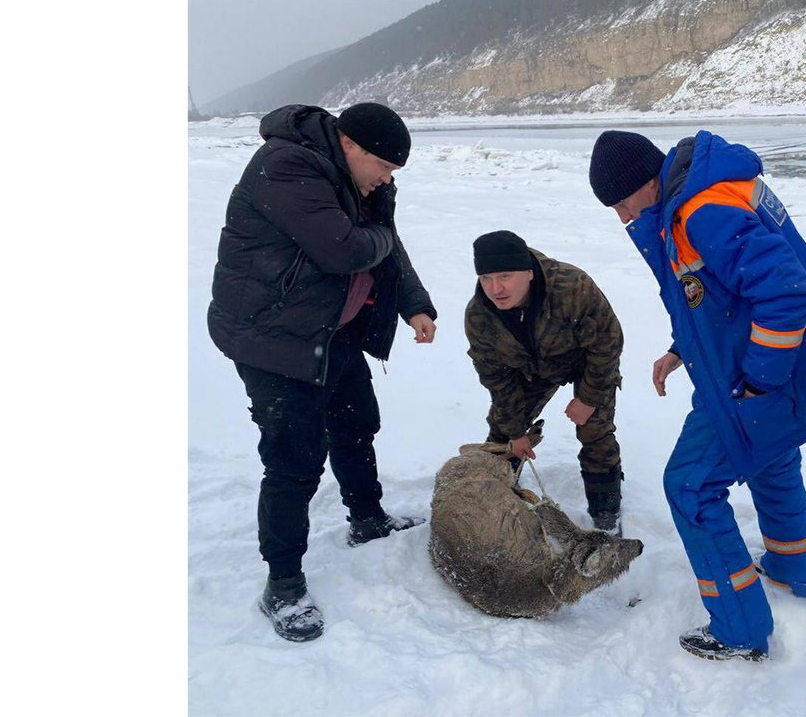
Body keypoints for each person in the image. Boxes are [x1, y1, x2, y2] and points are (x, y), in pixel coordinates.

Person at [587, 129, 806, 661]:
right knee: (770, 460)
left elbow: (786, 293)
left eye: (620, 202)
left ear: (643, 181)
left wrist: (759, 380)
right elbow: (714, 296)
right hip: (747, 369)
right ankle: (788, 571)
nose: (622, 218)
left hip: (753, 376)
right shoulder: (697, 194)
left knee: (688, 485)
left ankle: (739, 628)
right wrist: (680, 350)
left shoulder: (702, 209)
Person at [207, 102, 437, 642]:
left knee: (357, 422)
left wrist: (414, 305)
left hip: (330, 332)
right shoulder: (285, 166)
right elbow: (346, 248)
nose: (387, 178)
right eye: (384, 166)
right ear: (351, 145)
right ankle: (282, 583)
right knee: (295, 459)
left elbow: (385, 247)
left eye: (393, 175)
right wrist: (377, 232)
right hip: (273, 339)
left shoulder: (360, 182)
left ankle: (367, 517)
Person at [463, 230, 626, 533]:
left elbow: (607, 343)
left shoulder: (572, 287)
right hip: (530, 369)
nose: (495, 288)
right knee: (502, 436)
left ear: (527, 272)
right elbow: (498, 381)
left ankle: (606, 515)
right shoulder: (479, 317)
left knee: (596, 432)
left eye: (505, 276)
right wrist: (515, 432)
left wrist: (588, 398)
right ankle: (503, 499)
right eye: (486, 278)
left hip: (585, 361)